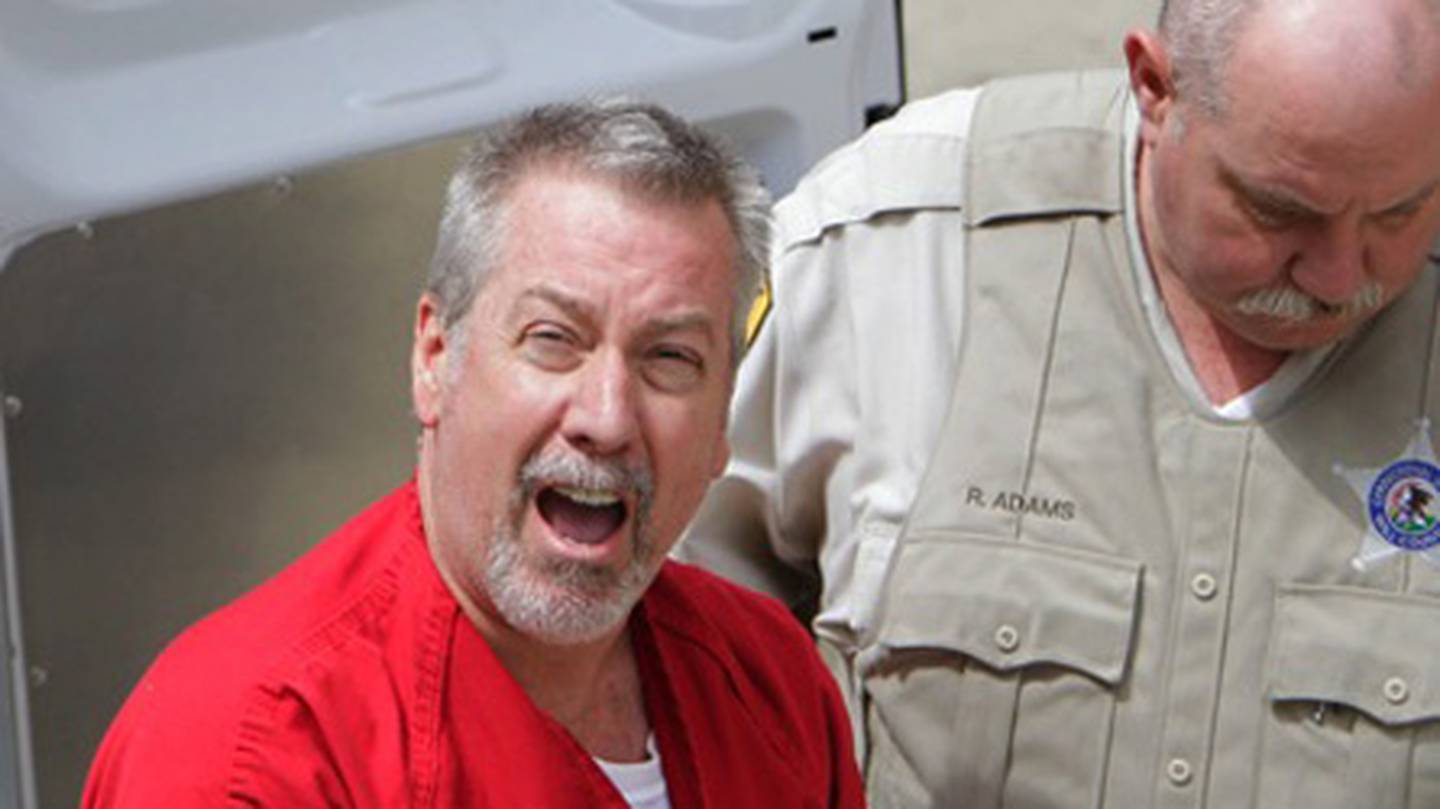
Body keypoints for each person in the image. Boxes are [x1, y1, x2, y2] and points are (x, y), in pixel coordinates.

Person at [679, 0, 1440, 805]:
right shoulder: (904, 238)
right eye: (1282, 210)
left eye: (1400, 212)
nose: (1337, 274)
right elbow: (664, 639)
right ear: (1155, 88)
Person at [82, 100, 864, 808]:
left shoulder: (771, 684)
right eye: (554, 340)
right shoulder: (249, 755)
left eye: (669, 358)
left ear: (725, 416)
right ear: (434, 356)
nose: (606, 416)